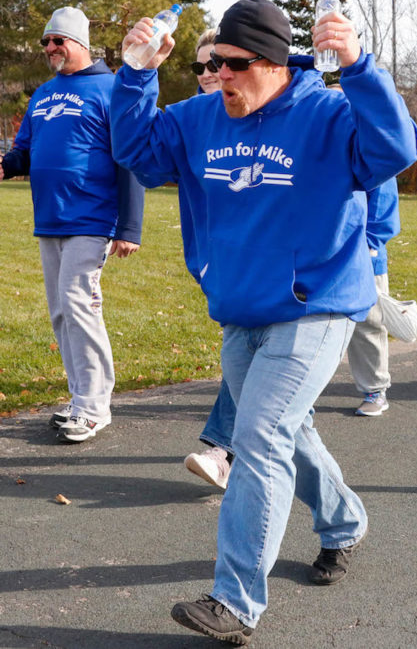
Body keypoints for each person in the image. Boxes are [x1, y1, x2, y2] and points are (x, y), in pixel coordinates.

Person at [110, 0, 417, 644]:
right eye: (214, 63)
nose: (220, 76)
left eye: (235, 64)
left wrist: (359, 65)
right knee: (286, 431)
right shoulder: (199, 118)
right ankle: (342, 521)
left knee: (259, 434)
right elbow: (138, 152)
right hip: (241, 306)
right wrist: (136, 74)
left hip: (318, 303)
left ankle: (237, 600)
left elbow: (397, 148)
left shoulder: (326, 114)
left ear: (277, 63)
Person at [0, 6, 144, 444]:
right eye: (45, 42)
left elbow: (128, 158)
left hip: (92, 217)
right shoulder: (43, 93)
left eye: (57, 40)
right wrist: (6, 166)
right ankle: (80, 399)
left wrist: (129, 227)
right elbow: (27, 151)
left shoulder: (113, 88)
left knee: (78, 302)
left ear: (80, 43)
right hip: (50, 218)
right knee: (60, 311)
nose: (50, 48)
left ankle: (95, 407)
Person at [180, 27, 234, 488]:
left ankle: (223, 450)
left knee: (247, 357)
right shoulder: (191, 121)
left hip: (254, 263)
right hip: (208, 258)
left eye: (216, 63)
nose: (208, 73)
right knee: (252, 363)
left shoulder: (255, 120)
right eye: (200, 66)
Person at [348, 178, 400, 416]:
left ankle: (375, 390)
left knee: (369, 321)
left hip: (364, 254)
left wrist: (370, 246)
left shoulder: (369, 145)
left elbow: (384, 202)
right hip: (320, 252)